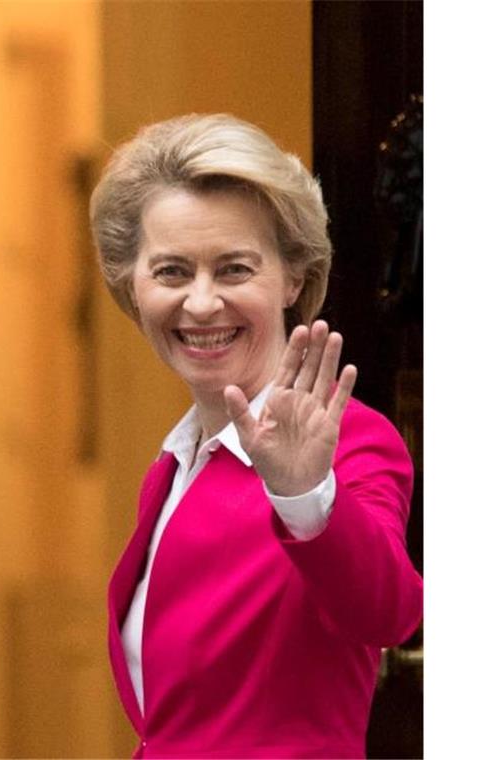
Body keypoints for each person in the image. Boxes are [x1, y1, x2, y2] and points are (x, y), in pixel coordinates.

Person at [89, 114, 422, 758]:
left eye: (235, 269)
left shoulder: (350, 438)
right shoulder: (176, 463)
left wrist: (305, 496)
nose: (203, 303)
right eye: (172, 272)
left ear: (293, 278)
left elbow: (391, 611)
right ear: (132, 286)